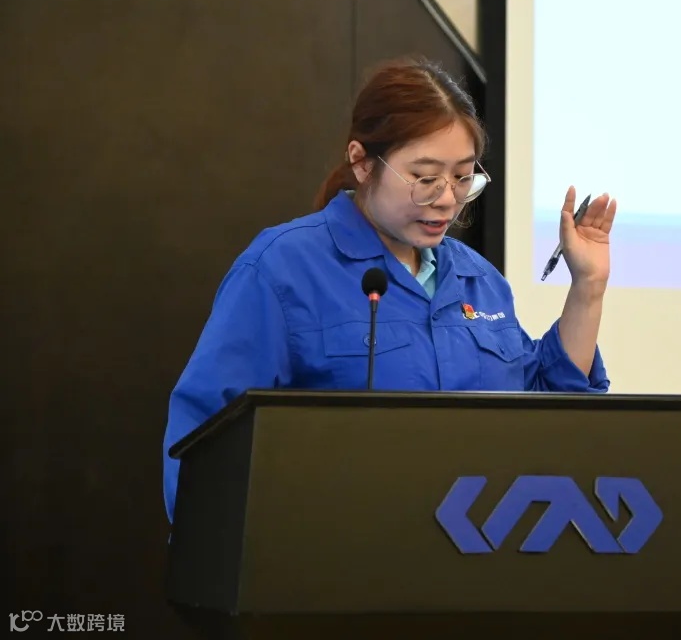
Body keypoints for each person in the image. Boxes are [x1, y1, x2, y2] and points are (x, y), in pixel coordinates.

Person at [161, 56, 617, 522]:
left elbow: (543, 412)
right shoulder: (283, 268)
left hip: (477, 551)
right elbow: (206, 435)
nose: (447, 199)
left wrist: (588, 286)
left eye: (463, 177)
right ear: (362, 163)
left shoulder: (479, 279)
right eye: (425, 178)